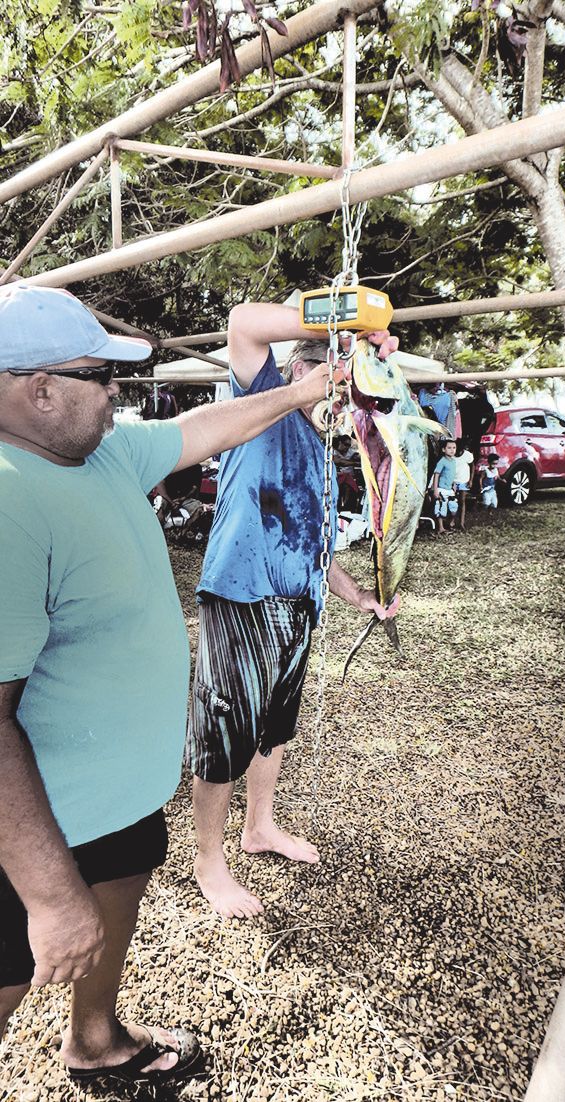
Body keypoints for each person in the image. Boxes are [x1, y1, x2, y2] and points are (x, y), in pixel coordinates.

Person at [0, 284, 340, 1086]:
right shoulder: (10, 498)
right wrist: (49, 895)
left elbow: (200, 429)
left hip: (115, 800)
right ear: (38, 388)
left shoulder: (97, 449)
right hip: (35, 827)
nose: (119, 393)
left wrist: (301, 391)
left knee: (119, 898)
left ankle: (96, 1040)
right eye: (101, 376)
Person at [185, 304, 400, 920]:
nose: (344, 406)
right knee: (223, 735)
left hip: (298, 607)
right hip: (241, 595)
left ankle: (259, 827)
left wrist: (358, 594)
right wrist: (342, 326)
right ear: (309, 370)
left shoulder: (322, 448)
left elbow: (316, 546)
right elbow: (241, 323)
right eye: (341, 387)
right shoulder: (264, 402)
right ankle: (208, 861)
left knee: (274, 728)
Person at [431, 438, 458, 534]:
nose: (452, 450)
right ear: (443, 450)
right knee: (441, 507)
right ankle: (441, 527)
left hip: (449, 488)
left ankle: (450, 523)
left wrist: (454, 483)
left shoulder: (454, 461)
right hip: (441, 488)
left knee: (453, 507)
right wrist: (435, 489)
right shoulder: (442, 461)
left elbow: (452, 474)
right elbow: (436, 474)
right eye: (449, 448)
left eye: (454, 448)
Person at [453, 438, 474, 531]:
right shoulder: (451, 454)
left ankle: (461, 523)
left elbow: (472, 466)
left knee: (462, 501)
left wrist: (471, 480)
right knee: (452, 501)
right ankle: (452, 520)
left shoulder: (467, 455)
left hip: (463, 480)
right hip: (453, 481)